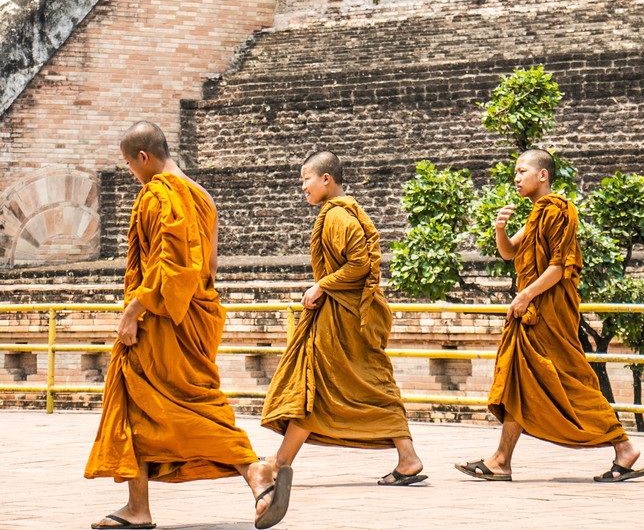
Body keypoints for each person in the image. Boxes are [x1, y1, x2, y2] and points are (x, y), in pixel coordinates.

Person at [85, 121, 292, 530]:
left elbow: (173, 265)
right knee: (172, 405)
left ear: (144, 158)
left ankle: (251, 470)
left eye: (129, 164)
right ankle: (241, 477)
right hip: (193, 319)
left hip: (159, 320)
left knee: (149, 404)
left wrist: (133, 313)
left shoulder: (159, 193)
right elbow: (208, 266)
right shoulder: (203, 197)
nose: (130, 173)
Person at [455, 148, 644, 484]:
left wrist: (525, 295)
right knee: (520, 379)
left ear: (542, 175)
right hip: (532, 311)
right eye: (515, 174)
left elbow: (560, 267)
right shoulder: (535, 214)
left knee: (569, 380)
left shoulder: (559, 210)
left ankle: (623, 446)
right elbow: (510, 252)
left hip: (547, 312)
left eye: (521, 172)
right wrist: (500, 229)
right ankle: (501, 460)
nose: (516, 179)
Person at [261, 150, 427, 487]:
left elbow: (360, 264)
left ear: (326, 179)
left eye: (306, 179)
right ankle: (407, 457)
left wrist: (322, 285)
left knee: (319, 387)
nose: (302, 187)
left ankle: (279, 463)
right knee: (355, 386)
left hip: (343, 317)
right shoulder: (334, 212)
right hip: (341, 315)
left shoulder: (338, 217)